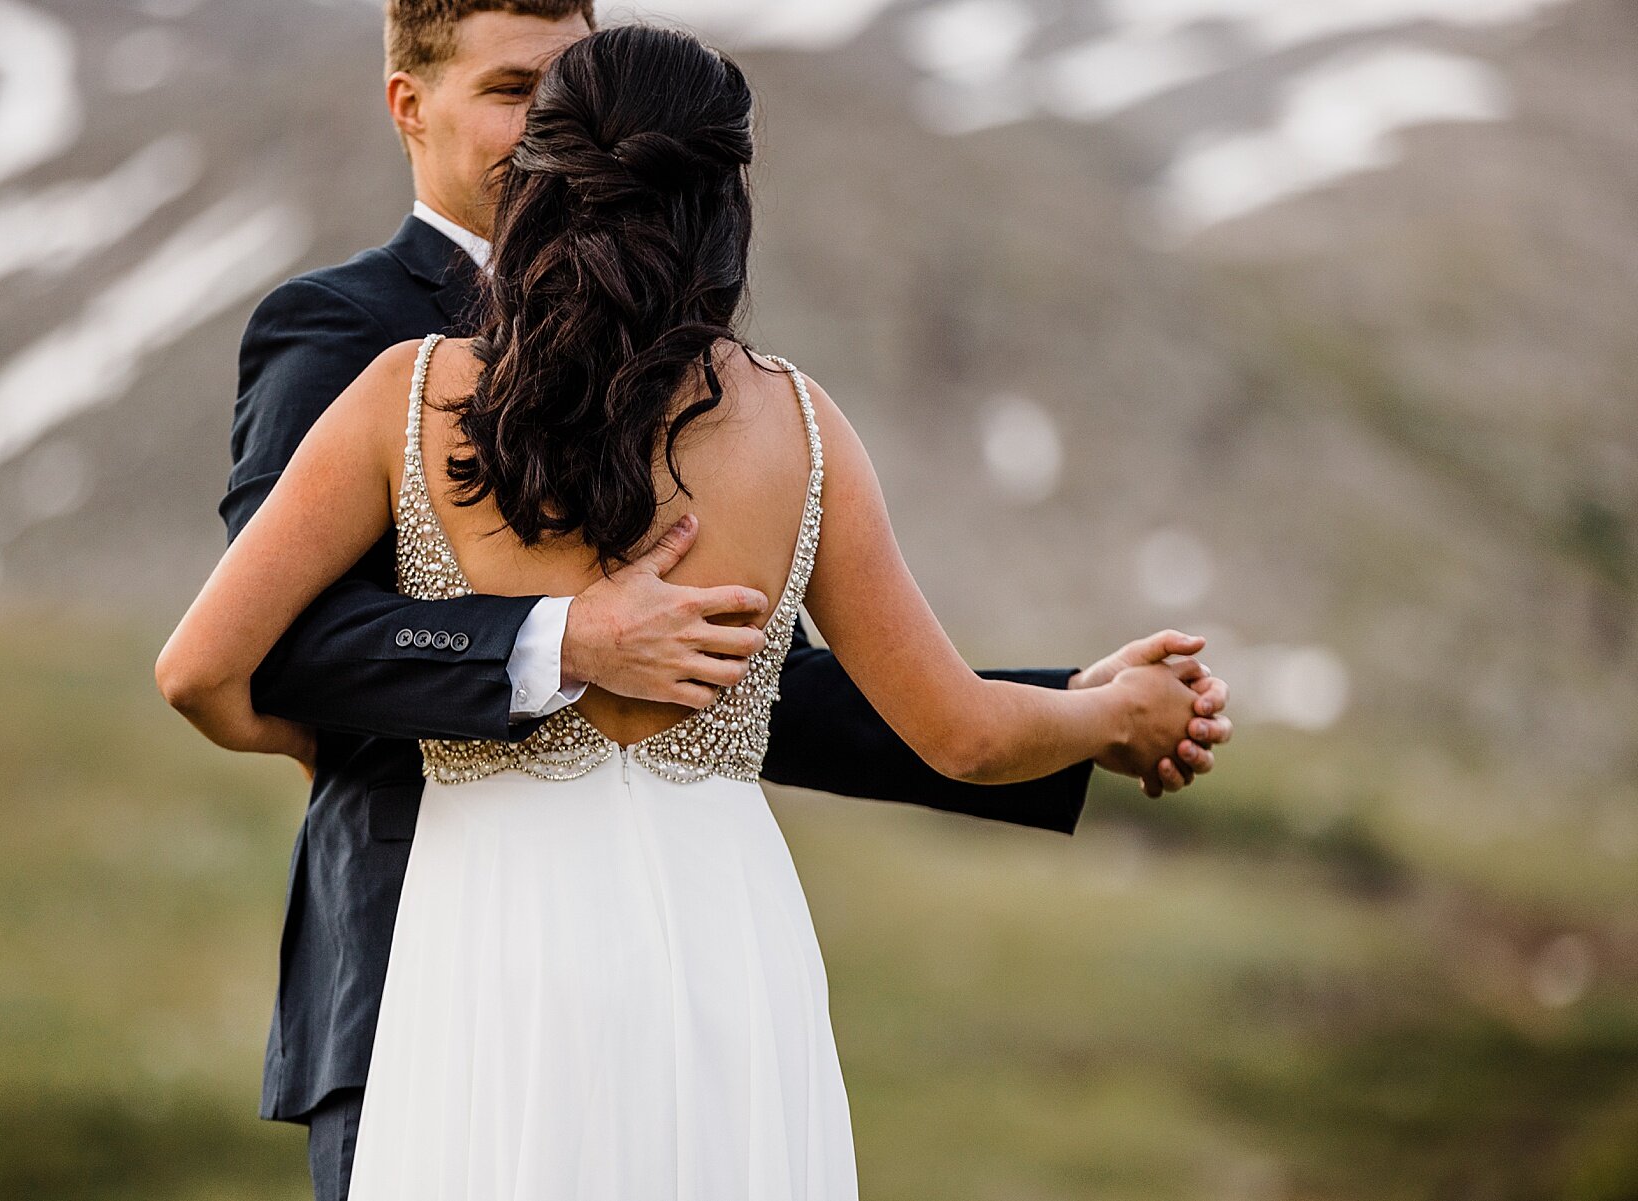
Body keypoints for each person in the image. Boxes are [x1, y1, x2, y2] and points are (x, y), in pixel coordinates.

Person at [157, 19, 1225, 1198]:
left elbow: (204, 666)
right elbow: (952, 726)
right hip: (701, 939)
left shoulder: (408, 394)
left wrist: (1077, 703)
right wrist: (1108, 718)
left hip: (487, 942)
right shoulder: (794, 426)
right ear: (725, 195)